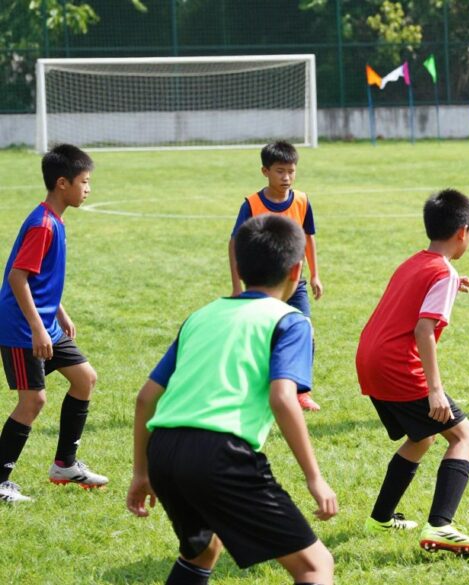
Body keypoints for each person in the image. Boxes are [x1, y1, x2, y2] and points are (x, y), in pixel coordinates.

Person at [127, 214, 337, 585]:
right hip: (220, 455)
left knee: (202, 551)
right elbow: (283, 399)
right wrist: (314, 478)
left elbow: (146, 399)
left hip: (163, 452)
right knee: (315, 566)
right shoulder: (289, 321)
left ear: (238, 266)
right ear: (296, 270)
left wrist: (141, 472)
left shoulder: (200, 316)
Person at [355, 189, 469, 556]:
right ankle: (442, 526)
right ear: (463, 232)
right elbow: (423, 330)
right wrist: (436, 390)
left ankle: (381, 516)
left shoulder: (417, 262)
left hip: (369, 359)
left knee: (422, 435)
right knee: (464, 436)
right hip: (398, 364)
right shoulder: (443, 272)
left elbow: (411, 298)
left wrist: (450, 286)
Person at [0, 144, 107, 503]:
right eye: (84, 181)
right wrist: (36, 327)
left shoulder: (54, 220)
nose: (88, 189)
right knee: (33, 401)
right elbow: (18, 278)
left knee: (84, 378)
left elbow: (38, 275)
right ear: (62, 183)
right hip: (20, 327)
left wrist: (58, 312)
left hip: (46, 323)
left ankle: (65, 464)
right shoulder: (44, 225)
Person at [229, 140, 324, 412]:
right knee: (261, 336)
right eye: (280, 171)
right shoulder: (252, 204)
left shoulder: (303, 200)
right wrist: (237, 286)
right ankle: (255, 389)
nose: (287, 177)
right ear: (265, 171)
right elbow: (234, 243)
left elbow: (309, 238)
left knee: (304, 330)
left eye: (291, 171)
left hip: (296, 283)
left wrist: (315, 274)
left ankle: (301, 392)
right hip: (262, 284)